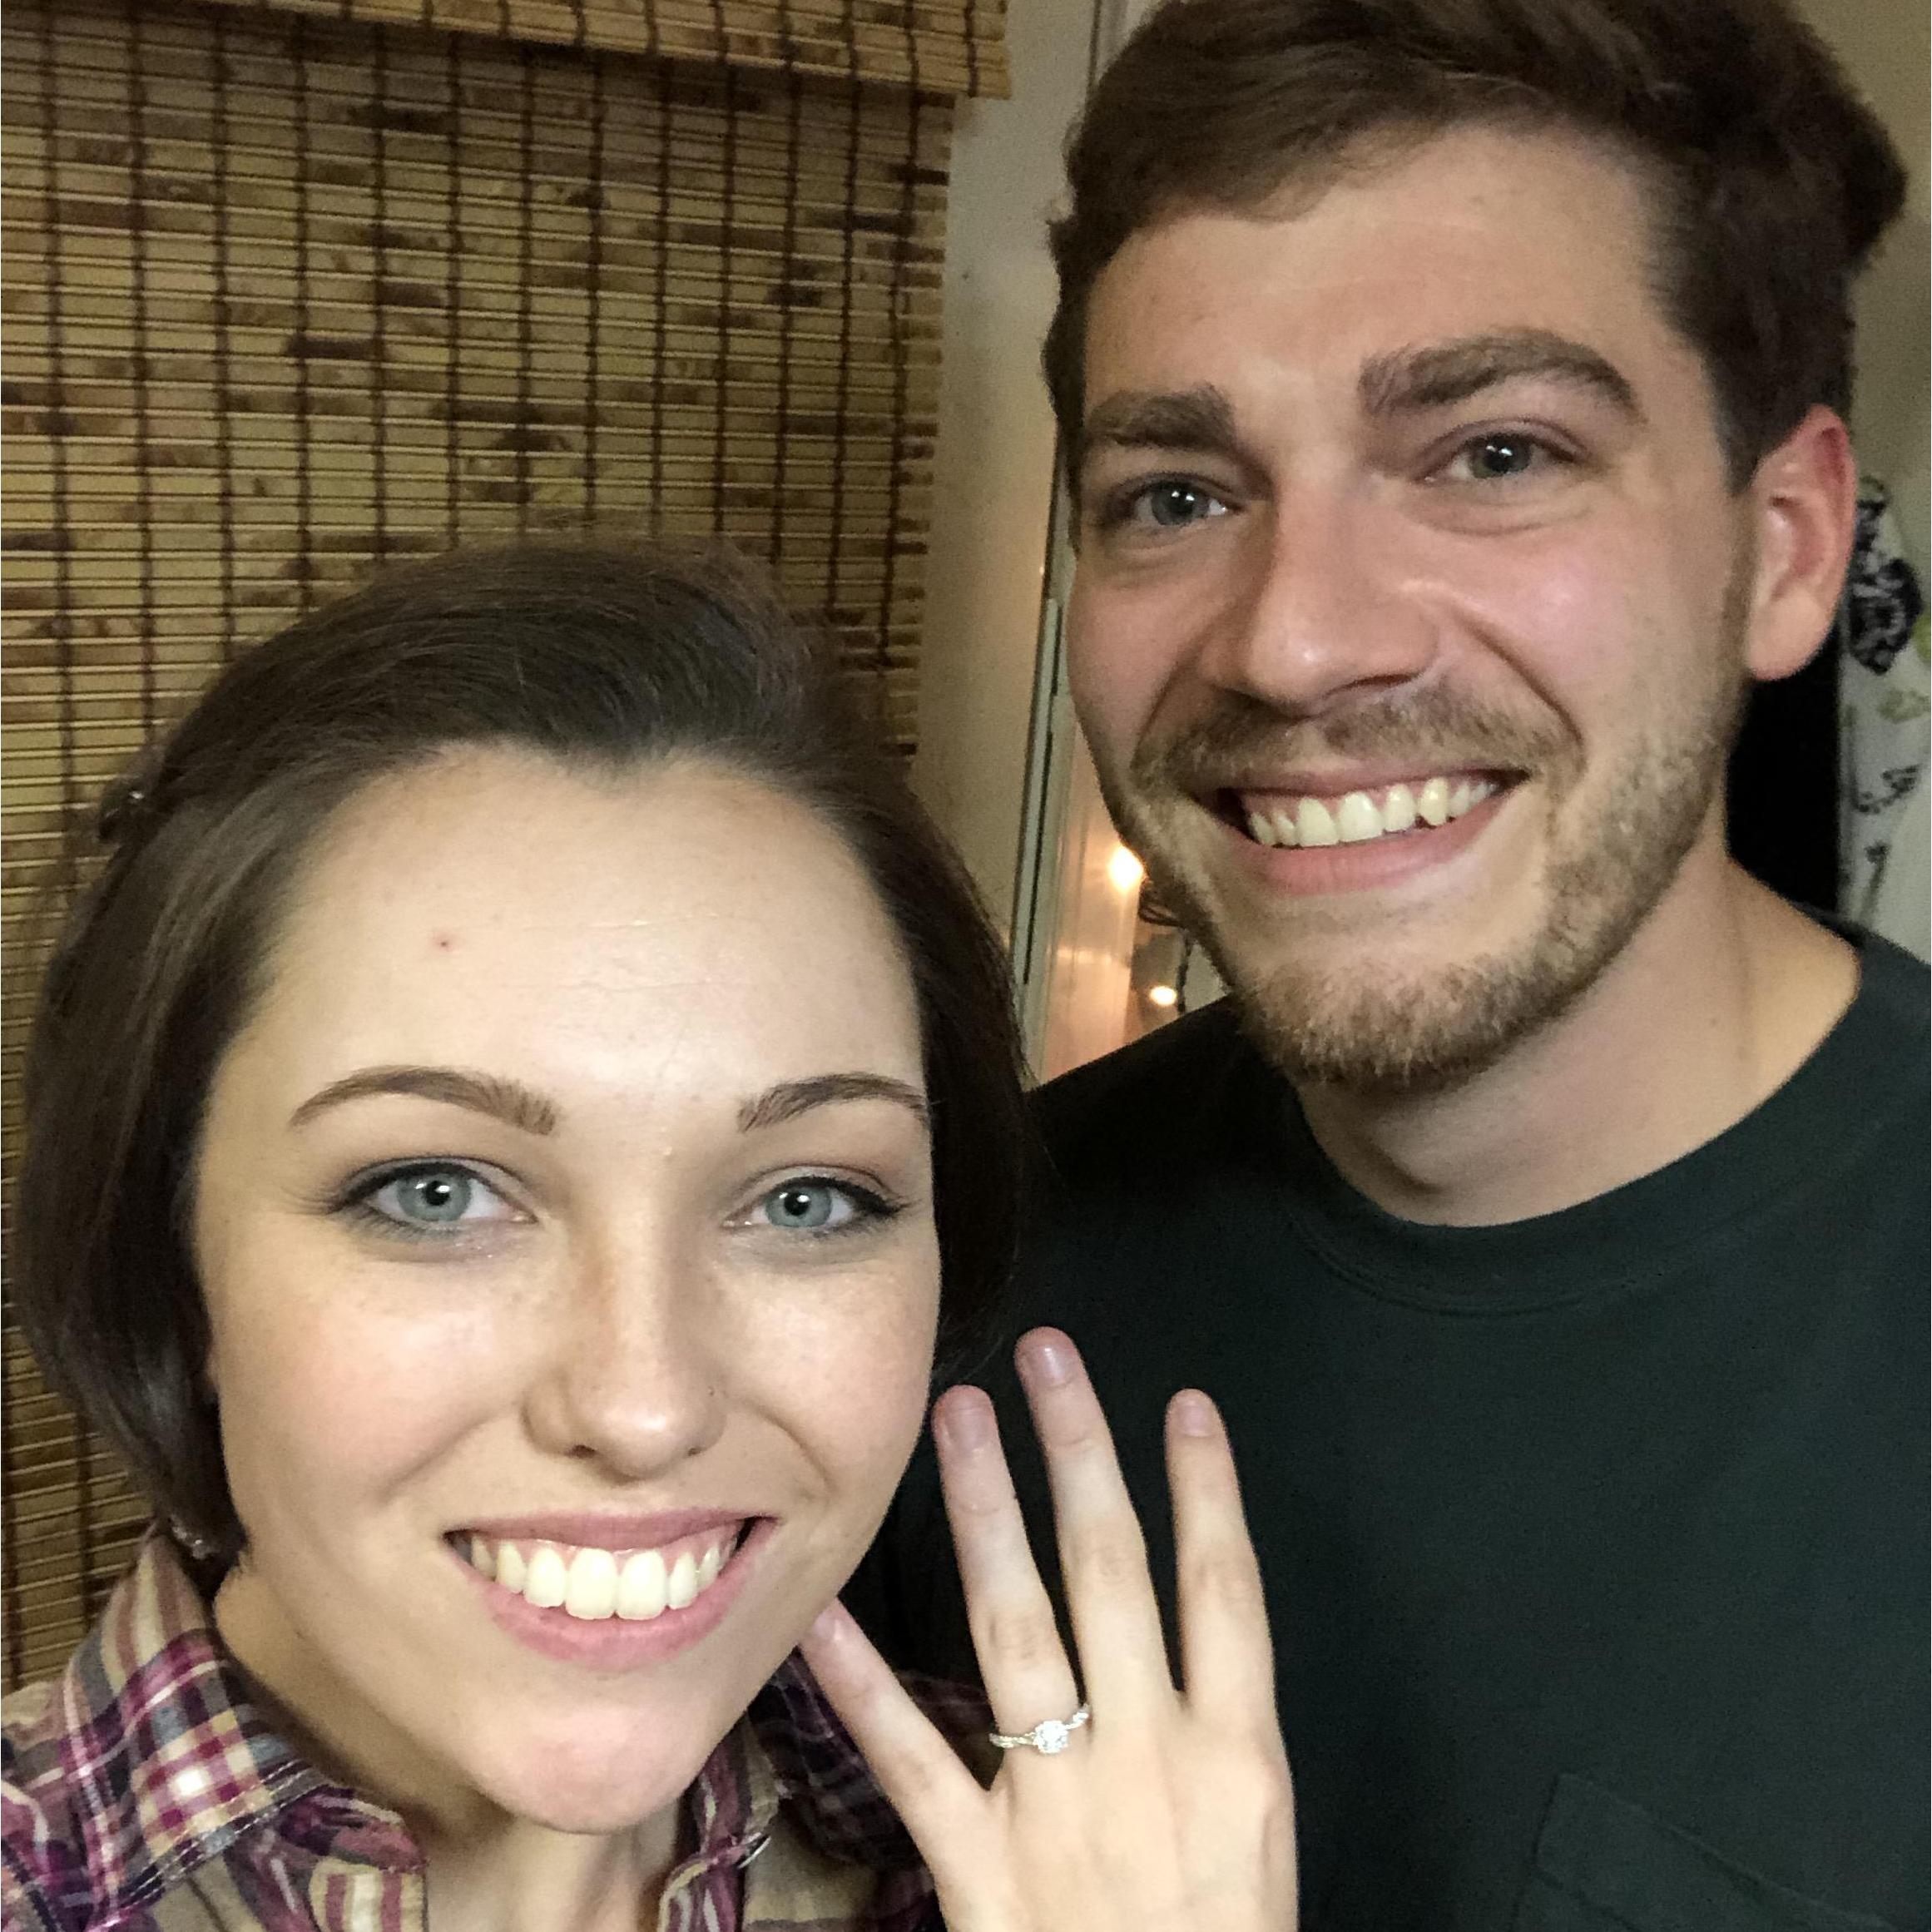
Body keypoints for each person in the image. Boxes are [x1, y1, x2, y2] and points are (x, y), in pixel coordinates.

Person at [850, 0, 1929, 1925]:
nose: (1296, 644)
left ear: (1785, 547)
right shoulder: (940, 1282)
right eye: (1177, 495)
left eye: (1493, 452)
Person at [1, 545, 1295, 1932]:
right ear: (171, 1257)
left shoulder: (1076, 1872)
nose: (644, 1404)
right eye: (434, 1191)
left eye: (805, 1199)